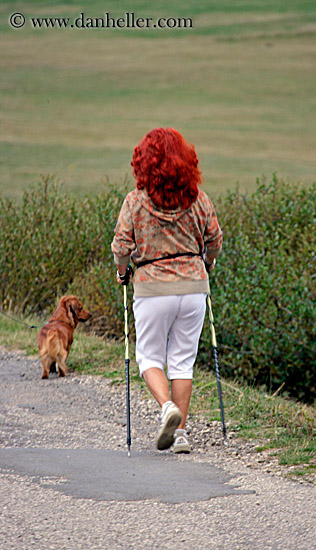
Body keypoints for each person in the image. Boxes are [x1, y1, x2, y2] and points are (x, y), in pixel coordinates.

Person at [111, 127, 222, 454]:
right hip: (193, 289)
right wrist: (208, 264)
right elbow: (214, 240)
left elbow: (121, 246)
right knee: (182, 361)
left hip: (152, 288)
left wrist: (123, 272)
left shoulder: (135, 202)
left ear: (143, 163)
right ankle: (182, 436)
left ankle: (166, 409)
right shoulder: (199, 199)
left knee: (148, 358)